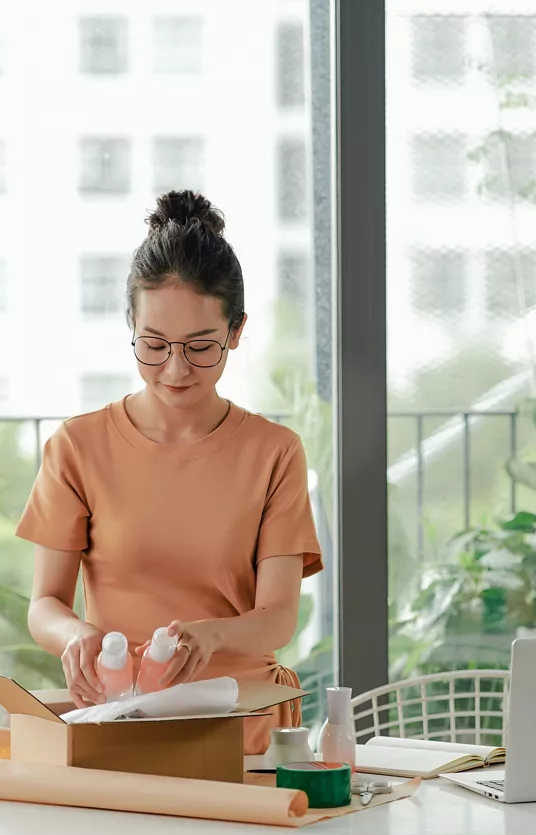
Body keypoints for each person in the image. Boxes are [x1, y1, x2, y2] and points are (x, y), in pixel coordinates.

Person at [16, 189, 323, 754]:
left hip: (243, 721)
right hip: (120, 719)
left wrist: (213, 636)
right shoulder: (77, 447)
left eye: (202, 347)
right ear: (130, 323)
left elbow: (278, 618)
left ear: (235, 331)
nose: (175, 369)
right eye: (153, 344)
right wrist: (74, 634)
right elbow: (45, 605)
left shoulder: (274, 452)